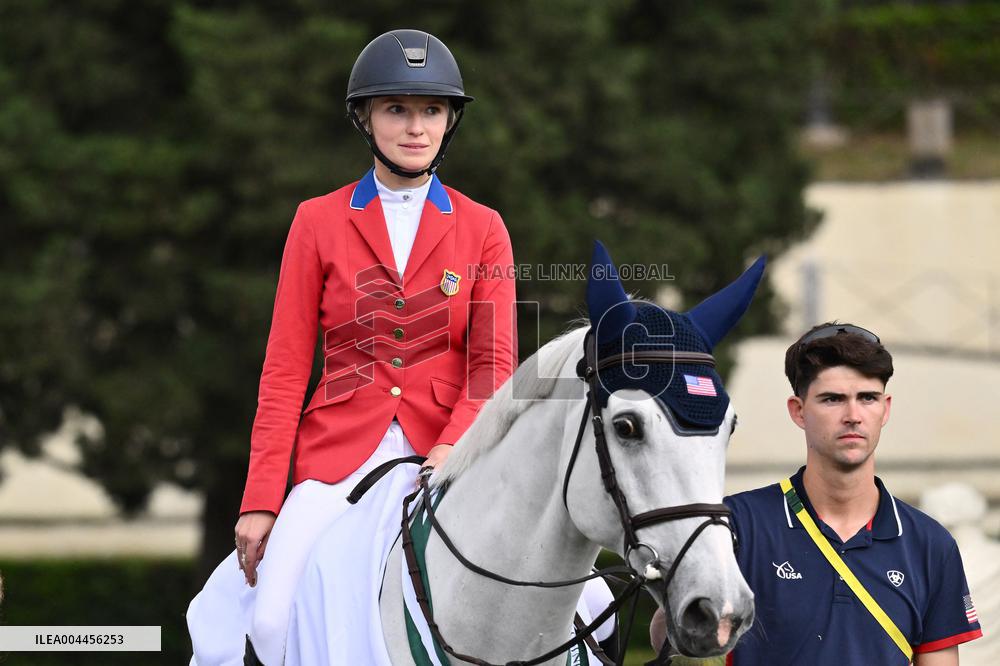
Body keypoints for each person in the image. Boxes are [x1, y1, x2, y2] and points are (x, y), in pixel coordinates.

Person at [187, 29, 517, 665]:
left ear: (450, 121)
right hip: (337, 459)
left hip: (450, 456)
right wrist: (260, 501)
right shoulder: (316, 221)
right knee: (275, 615)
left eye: (431, 111)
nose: (415, 127)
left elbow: (494, 365)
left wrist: (452, 446)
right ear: (365, 118)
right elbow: (285, 368)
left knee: (573, 600)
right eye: (396, 109)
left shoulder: (484, 229)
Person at [721, 323, 984, 664]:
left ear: (885, 408)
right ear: (798, 411)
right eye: (832, 399)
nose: (853, 416)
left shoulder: (931, 545)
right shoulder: (738, 524)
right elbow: (677, 643)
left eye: (868, 398)